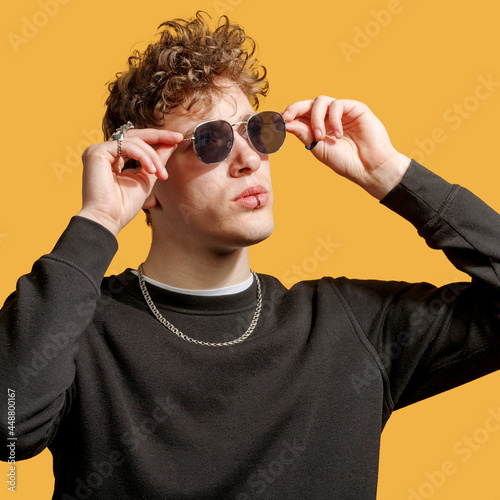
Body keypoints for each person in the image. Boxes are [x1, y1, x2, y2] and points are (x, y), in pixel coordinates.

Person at [1, 11, 500, 500]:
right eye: (212, 141)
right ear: (145, 177)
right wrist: (97, 222)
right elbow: (9, 429)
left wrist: (391, 173)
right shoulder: (73, 326)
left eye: (257, 130)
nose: (248, 160)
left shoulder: (350, 327)